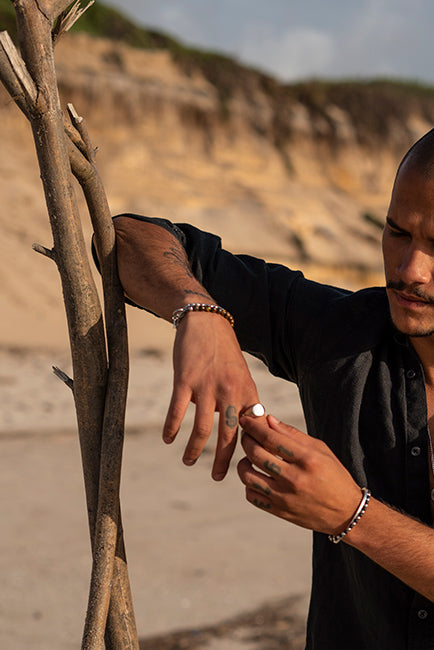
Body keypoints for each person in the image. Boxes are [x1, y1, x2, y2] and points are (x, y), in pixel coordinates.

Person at [103, 130, 434, 649]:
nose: (410, 269)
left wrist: (351, 514)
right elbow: (126, 237)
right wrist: (201, 312)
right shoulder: (341, 334)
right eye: (397, 231)